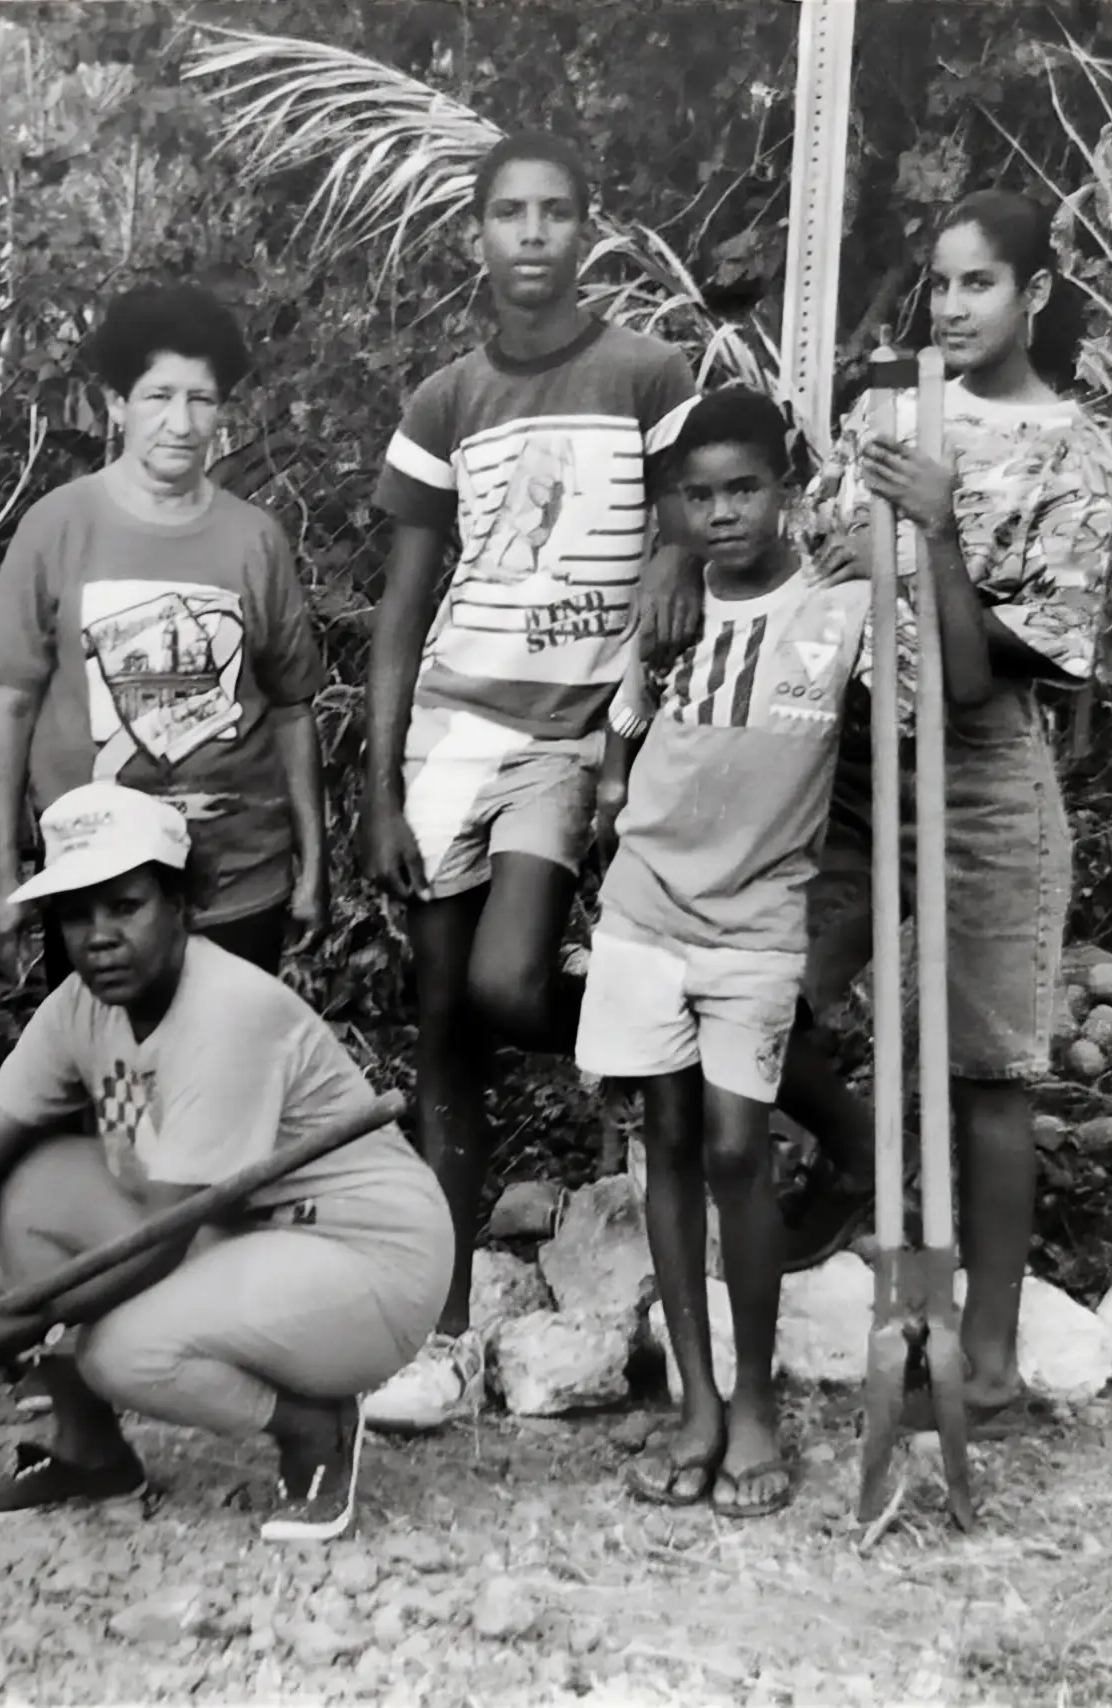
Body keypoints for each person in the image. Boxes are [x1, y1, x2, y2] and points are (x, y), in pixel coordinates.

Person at [574, 390, 989, 1515]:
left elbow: (953, 686)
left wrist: (936, 537)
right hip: (644, 910)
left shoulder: (840, 608)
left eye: (743, 489)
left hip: (758, 923)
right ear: (674, 507)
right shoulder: (661, 607)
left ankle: (755, 1401)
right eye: (697, 497)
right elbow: (619, 743)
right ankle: (696, 1404)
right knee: (661, 1140)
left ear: (789, 489)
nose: (721, 514)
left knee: (733, 1147)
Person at [0, 783, 450, 1542]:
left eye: (126, 906)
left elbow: (163, 1236)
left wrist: (14, 1321)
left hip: (364, 1256)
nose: (100, 936)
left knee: (121, 1350)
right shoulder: (80, 1005)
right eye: (77, 913)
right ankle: (89, 1450)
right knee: (26, 1185)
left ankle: (314, 1427)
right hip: (241, 1232)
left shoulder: (225, 1011)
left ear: (182, 906)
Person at [359, 131, 700, 1433]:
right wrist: (386, 786)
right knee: (446, 1031)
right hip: (451, 730)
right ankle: (441, 1328)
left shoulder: (642, 373)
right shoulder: (446, 399)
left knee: (506, 985)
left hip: (567, 734)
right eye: (510, 212)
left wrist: (673, 557)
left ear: (587, 230)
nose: (534, 234)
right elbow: (400, 610)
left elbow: (702, 501)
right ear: (478, 235)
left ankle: (666, 1059)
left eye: (558, 210)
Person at [772, 193, 1112, 1426]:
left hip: (978, 771)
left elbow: (980, 674)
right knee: (759, 995)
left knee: (990, 1075)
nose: (953, 307)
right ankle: (853, 1157)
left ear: (1033, 291)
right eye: (939, 284)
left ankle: (984, 1361)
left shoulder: (1071, 448)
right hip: (854, 762)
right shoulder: (887, 414)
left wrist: (932, 530)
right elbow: (805, 566)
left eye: (979, 284)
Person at [0, 282, 328, 988]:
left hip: (238, 879)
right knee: (111, 1084)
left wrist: (313, 865)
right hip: (94, 879)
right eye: (159, 396)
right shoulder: (58, 526)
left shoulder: (257, 540)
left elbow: (291, 710)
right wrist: (3, 872)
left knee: (223, 1077)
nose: (181, 422)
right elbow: (9, 705)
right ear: (117, 404)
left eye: (201, 399)